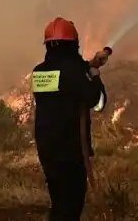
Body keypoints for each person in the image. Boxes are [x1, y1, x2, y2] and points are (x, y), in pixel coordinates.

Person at [31, 17, 108, 221]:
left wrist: (88, 65)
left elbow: (65, 79)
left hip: (47, 149)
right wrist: (94, 74)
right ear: (74, 44)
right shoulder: (74, 72)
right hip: (70, 151)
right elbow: (98, 102)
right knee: (71, 207)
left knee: (59, 202)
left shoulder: (39, 72)